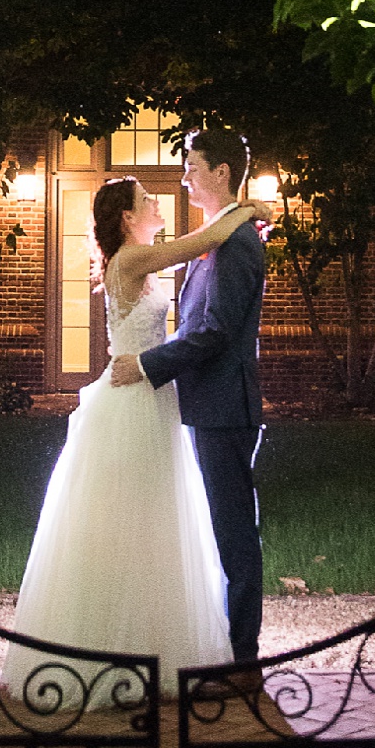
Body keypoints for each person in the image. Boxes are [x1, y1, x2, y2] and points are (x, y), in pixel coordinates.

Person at [1, 170, 266, 699]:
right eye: (147, 199)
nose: (159, 201)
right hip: (134, 399)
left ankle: (158, 640)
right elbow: (208, 240)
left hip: (154, 395)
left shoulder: (139, 259)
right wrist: (249, 210)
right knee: (134, 521)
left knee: (154, 520)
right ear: (127, 217)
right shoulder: (133, 259)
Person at [110, 125, 269, 684]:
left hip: (227, 407)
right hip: (206, 405)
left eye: (193, 167)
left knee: (233, 532)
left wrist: (150, 366)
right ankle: (227, 652)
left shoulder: (239, 242)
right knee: (222, 529)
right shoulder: (218, 236)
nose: (184, 178)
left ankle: (243, 662)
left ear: (222, 173)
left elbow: (217, 332)